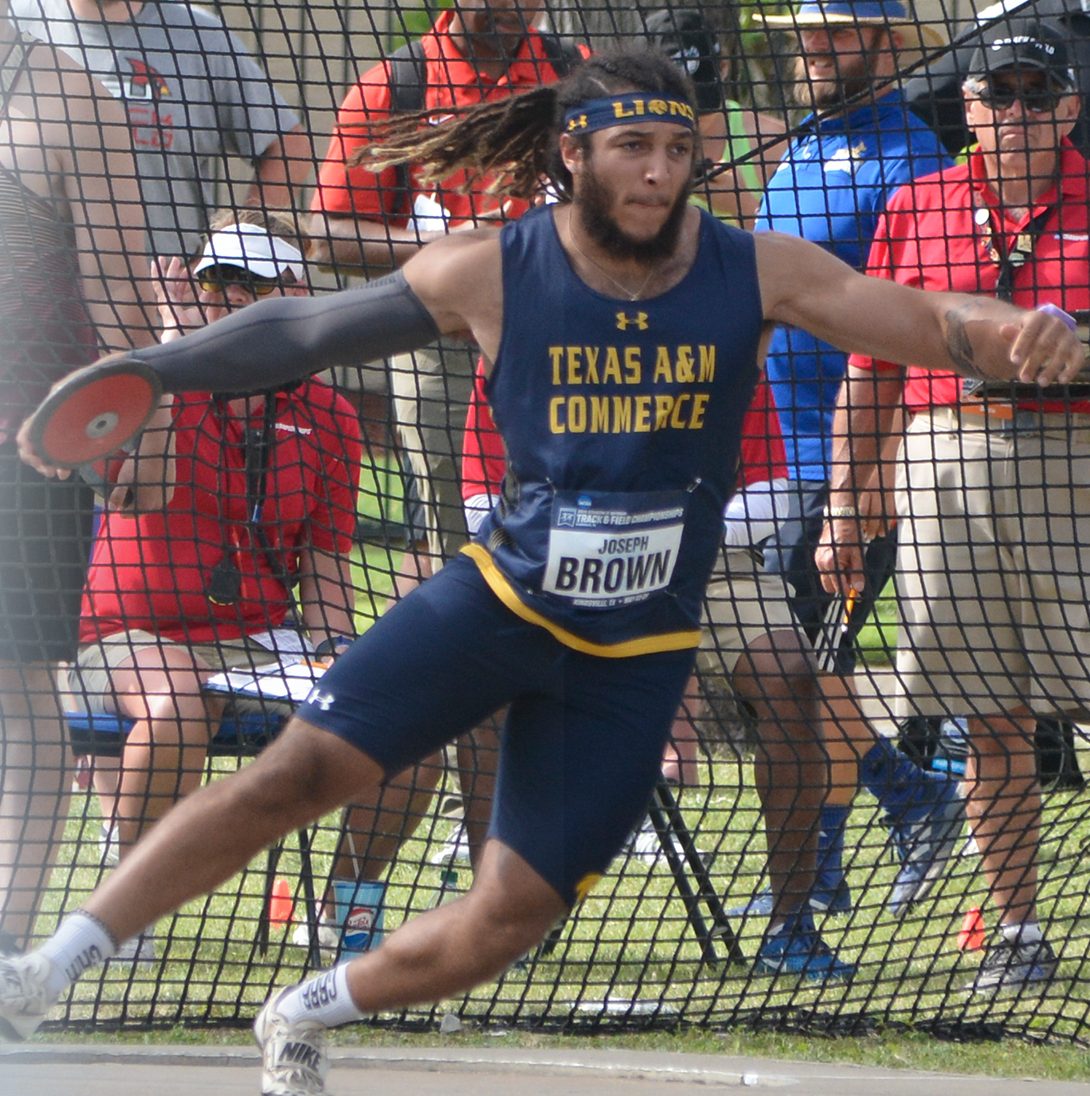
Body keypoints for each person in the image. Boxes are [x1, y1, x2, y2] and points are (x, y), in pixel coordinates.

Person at [3, 47, 1082, 1094]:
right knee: (297, 774)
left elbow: (932, 319)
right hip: (498, 600)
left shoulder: (755, 269)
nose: (658, 171)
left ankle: (307, 1005)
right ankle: (47, 969)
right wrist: (151, 364)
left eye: (676, 148)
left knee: (514, 912)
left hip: (637, 648)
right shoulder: (496, 264)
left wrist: (1025, 328)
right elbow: (304, 326)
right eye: (631, 148)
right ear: (573, 152)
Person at [817, 19, 1090, 995]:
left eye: (1034, 93)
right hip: (942, 456)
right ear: (967, 109)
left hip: (1075, 459)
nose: (1015, 112)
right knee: (988, 709)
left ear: (1068, 106)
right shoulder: (917, 203)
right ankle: (1013, 931)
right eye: (995, 94)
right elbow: (869, 364)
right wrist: (848, 505)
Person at [66, 211, 363, 961]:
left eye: (252, 284)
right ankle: (118, 908)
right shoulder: (139, 380)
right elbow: (134, 495)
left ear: (296, 297)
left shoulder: (332, 416)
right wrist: (168, 367)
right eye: (217, 283)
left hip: (262, 637)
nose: (231, 300)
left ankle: (345, 907)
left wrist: (337, 646)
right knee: (176, 705)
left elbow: (324, 563)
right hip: (126, 634)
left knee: (400, 709)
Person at [309, 0, 582, 571]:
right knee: (460, 545)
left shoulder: (577, 72)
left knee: (572, 525)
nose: (517, 11)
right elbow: (327, 235)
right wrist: (464, 256)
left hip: (563, 344)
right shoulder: (399, 83)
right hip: (442, 348)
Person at [0, 0, 160, 952]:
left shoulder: (68, 100)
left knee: (18, 698)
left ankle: (4, 954)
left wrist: (161, 425)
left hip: (21, 458)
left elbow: (123, 289)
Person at [753, 0, 950, 669]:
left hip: (848, 461)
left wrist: (877, 468)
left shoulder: (914, 158)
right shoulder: (806, 141)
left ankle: (898, 771)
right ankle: (900, 767)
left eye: (836, 31)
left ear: (888, 44)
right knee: (773, 653)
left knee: (793, 657)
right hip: (775, 453)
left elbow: (924, 327)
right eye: (809, 31)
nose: (814, 45)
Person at [11, 0, 311, 260]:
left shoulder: (198, 35)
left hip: (170, 292)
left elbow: (288, 147)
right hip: (41, 294)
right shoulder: (14, 24)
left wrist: (234, 245)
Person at [643, 8, 787, 228]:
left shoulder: (771, 141)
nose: (689, 117)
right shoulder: (626, 147)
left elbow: (800, 246)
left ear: (723, 68)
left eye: (699, 105)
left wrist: (741, 204)